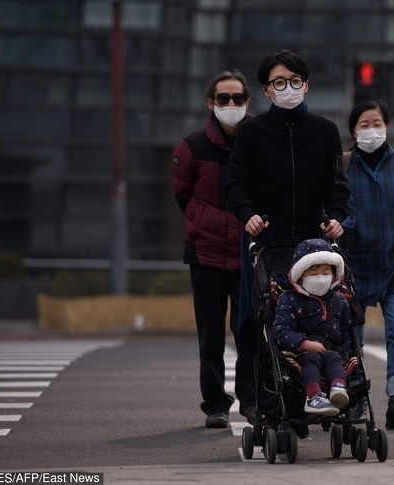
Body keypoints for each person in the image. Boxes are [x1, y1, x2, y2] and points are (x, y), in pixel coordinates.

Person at [225, 49, 349, 425]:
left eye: (295, 81)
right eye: (279, 83)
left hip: (312, 244)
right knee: (255, 318)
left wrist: (336, 219)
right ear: (266, 90)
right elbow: (235, 185)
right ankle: (257, 398)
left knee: (325, 319)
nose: (289, 89)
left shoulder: (325, 131)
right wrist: (247, 217)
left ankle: (332, 390)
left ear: (307, 84)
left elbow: (337, 186)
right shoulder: (252, 132)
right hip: (267, 241)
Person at [171, 70, 251, 428]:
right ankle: (215, 404)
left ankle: (251, 400)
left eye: (237, 98)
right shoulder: (192, 147)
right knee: (211, 333)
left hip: (249, 253)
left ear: (247, 101)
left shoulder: (258, 142)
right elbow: (182, 195)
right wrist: (203, 222)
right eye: (223, 98)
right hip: (205, 254)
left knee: (248, 330)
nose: (230, 104)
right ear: (210, 103)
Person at [339, 99, 394, 429]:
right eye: (364, 124)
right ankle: (357, 398)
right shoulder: (344, 164)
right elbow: (332, 206)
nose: (371, 129)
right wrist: (347, 224)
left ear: (387, 126)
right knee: (351, 335)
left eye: (377, 123)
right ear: (353, 130)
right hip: (354, 266)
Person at [272, 238, 352, 417]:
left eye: (326, 272)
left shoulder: (339, 300)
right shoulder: (289, 299)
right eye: (314, 273)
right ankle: (313, 396)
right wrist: (304, 343)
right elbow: (280, 330)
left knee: (334, 357)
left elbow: (347, 333)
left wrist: (346, 352)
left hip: (332, 352)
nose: (321, 277)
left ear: (334, 274)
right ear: (300, 275)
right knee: (312, 359)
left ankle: (338, 389)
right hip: (300, 354)